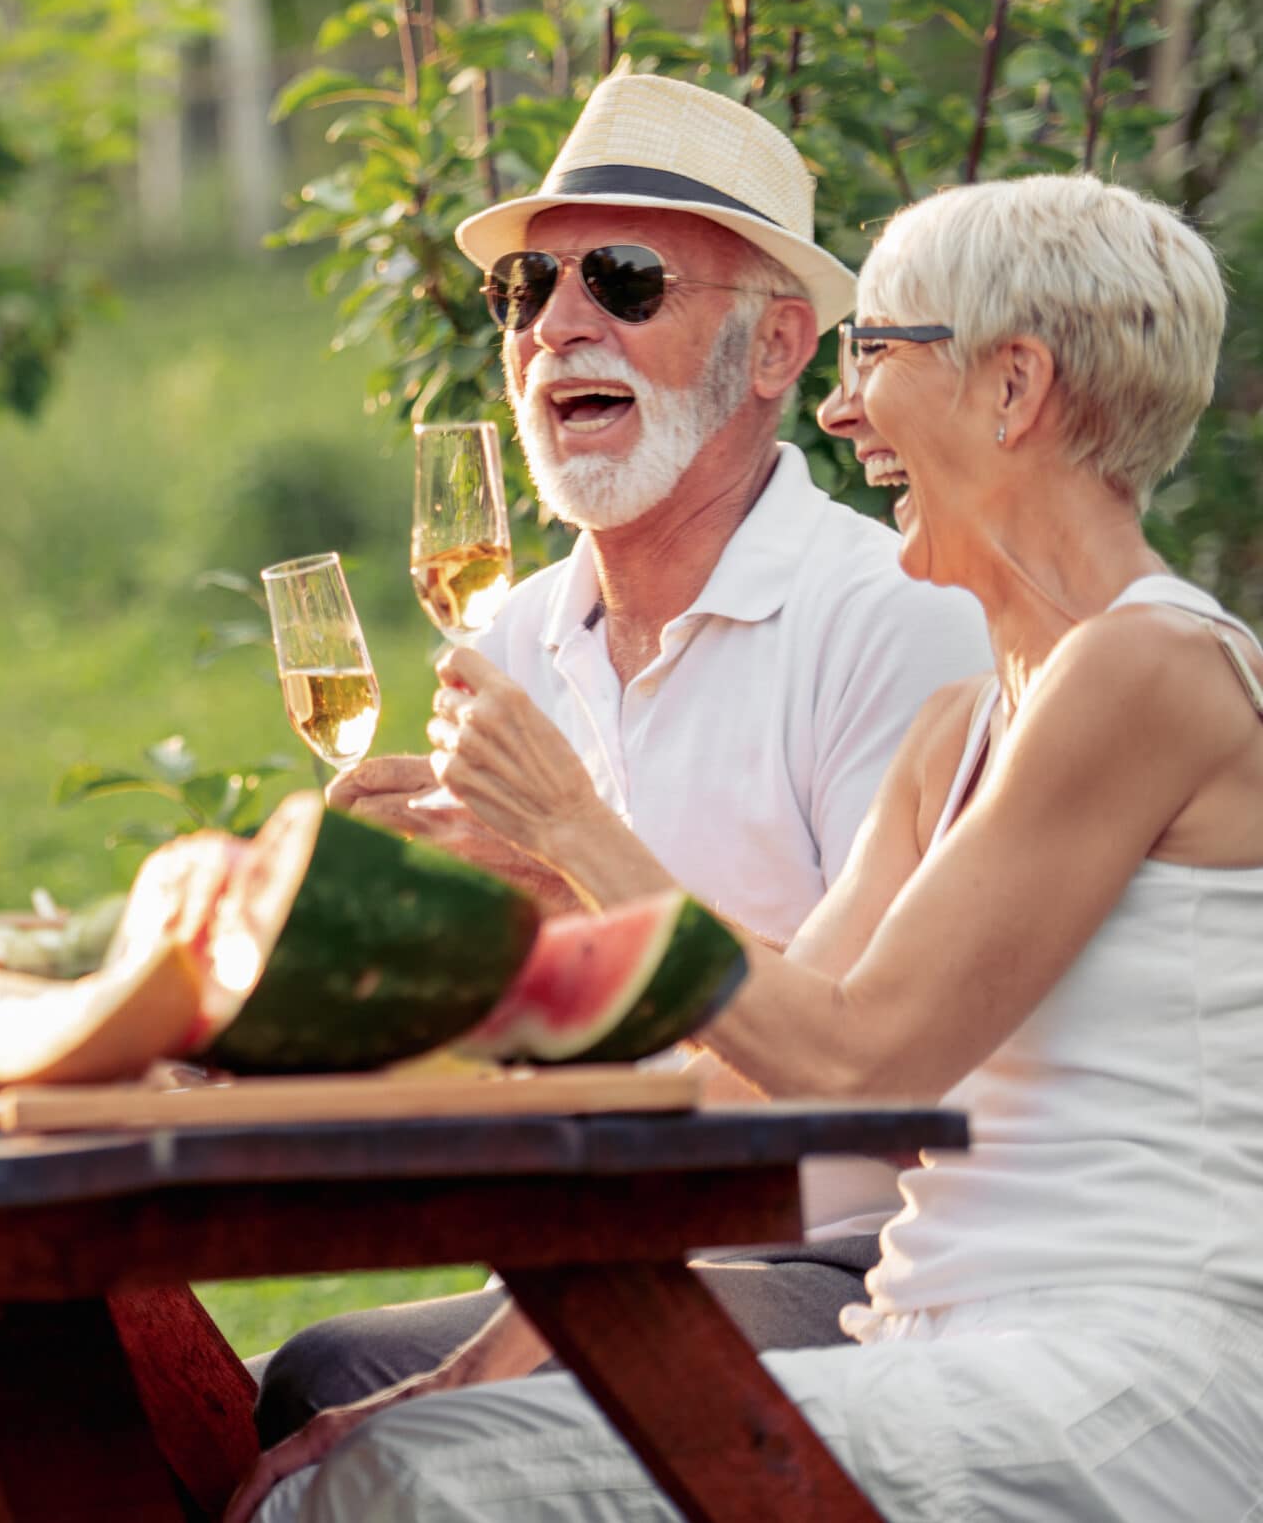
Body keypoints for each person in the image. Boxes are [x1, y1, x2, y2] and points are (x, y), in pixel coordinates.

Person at [241, 171, 1263, 1522]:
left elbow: (863, 1059)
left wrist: (573, 830)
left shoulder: (1147, 666)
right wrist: (477, 1364)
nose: (841, 412)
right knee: (384, 1441)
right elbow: (756, 1082)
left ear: (1013, 387)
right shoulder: (965, 726)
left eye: (879, 355)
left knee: (393, 1491)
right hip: (934, 1341)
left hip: (1123, 1371)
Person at [252, 73, 990, 1443]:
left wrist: (572, 868)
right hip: (580, 1259)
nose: (558, 325)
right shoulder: (517, 632)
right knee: (281, 1384)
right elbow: (511, 1031)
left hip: (842, 1266)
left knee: (380, 1427)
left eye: (628, 279)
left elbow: (859, 1067)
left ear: (777, 349)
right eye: (526, 289)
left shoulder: (892, 617)